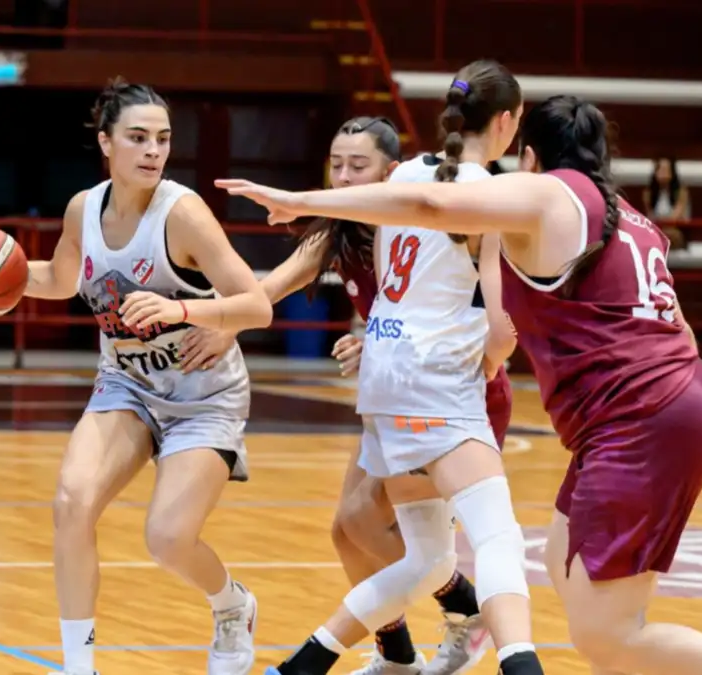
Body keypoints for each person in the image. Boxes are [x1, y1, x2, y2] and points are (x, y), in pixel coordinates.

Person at [218, 94, 702, 675]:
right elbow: (680, 328)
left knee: (605, 636)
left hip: (635, 414)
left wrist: (303, 201)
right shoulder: (628, 215)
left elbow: (431, 207)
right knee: (556, 559)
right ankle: (444, 631)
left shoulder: (550, 195)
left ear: (527, 154)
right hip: (670, 398)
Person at [0, 78, 274, 675]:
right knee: (72, 501)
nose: (154, 150)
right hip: (127, 384)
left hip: (203, 394)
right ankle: (79, 667)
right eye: (138, 137)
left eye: (163, 139)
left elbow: (257, 306)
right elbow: (60, 279)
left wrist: (181, 309)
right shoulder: (83, 209)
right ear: (106, 142)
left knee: (167, 539)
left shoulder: (183, 214)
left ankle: (232, 605)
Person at [224, 59, 544, 675]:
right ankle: (515, 660)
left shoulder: (410, 176)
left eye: (355, 165)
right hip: (442, 383)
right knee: (494, 538)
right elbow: (503, 329)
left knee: (420, 555)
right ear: (508, 122)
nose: (347, 176)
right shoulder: (486, 193)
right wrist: (488, 359)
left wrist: (297, 202)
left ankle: (309, 666)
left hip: (387, 382)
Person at [641, 156, 689, 250]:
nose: (663, 173)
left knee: (673, 236)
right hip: (656, 229)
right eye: (660, 169)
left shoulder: (681, 192)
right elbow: (650, 217)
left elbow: (675, 217)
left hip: (674, 230)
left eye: (666, 170)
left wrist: (663, 224)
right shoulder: (648, 193)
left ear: (672, 172)